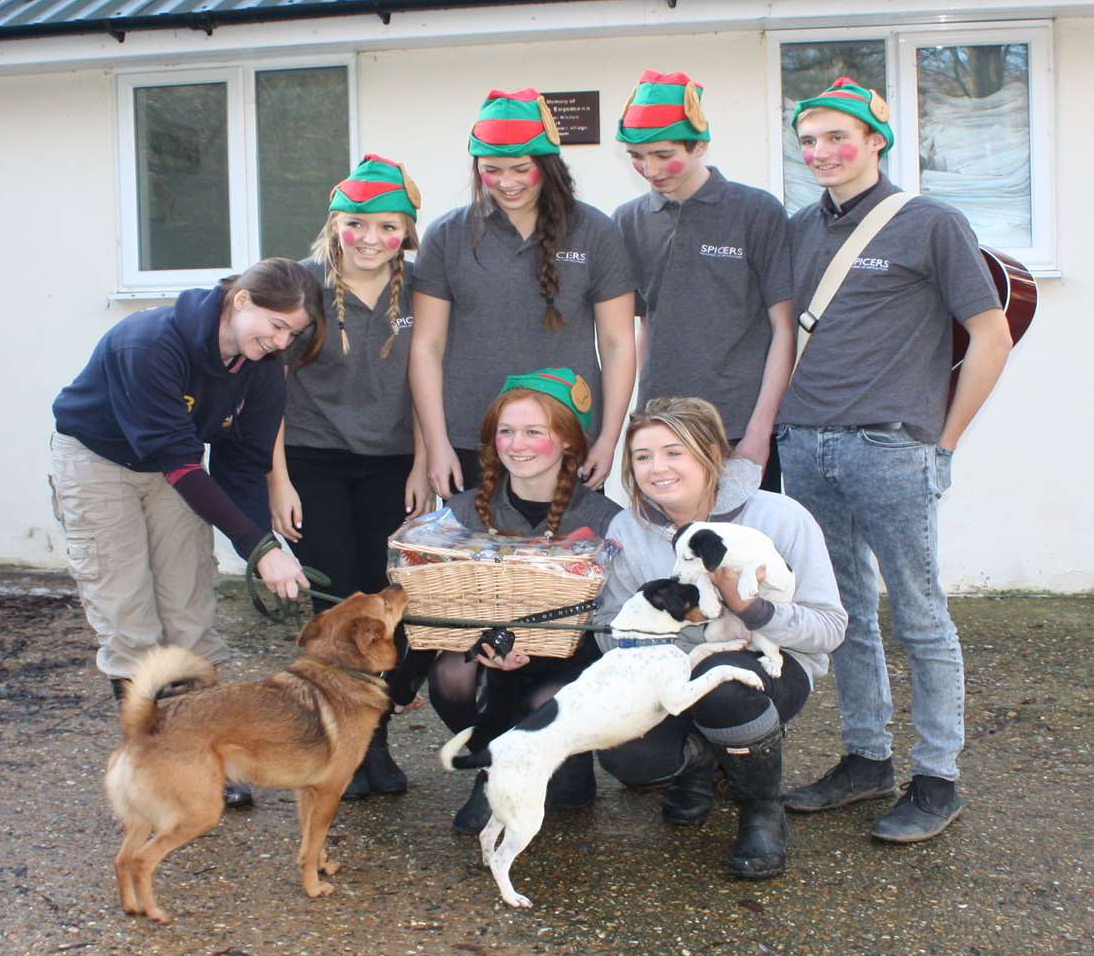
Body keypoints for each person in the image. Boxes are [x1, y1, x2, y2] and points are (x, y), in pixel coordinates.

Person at [776, 77, 1014, 843]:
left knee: (919, 617)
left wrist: (942, 444)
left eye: (837, 137)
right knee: (841, 614)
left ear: (877, 140)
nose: (821, 153)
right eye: (808, 140)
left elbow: (990, 335)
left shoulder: (930, 223)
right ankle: (865, 759)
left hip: (889, 448)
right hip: (805, 442)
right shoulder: (798, 229)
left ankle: (937, 777)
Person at [49, 258, 320, 806]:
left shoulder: (263, 364)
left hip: (176, 466)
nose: (281, 341)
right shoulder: (149, 343)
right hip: (100, 463)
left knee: (189, 609)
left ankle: (207, 758)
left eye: (293, 332)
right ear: (241, 301)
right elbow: (177, 461)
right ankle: (156, 768)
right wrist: (259, 549)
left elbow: (243, 463)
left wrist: (263, 545)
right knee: (127, 611)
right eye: (276, 325)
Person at [594, 397, 844, 879]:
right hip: (669, 671)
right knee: (627, 756)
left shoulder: (780, 516)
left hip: (770, 665)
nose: (656, 468)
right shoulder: (627, 527)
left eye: (674, 452)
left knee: (724, 689)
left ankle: (761, 809)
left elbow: (830, 628)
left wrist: (752, 609)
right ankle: (701, 760)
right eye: (642, 457)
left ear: (710, 453)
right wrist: (664, 654)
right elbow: (610, 622)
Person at [271, 154, 432, 801]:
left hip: (393, 464)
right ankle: (337, 745)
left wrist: (424, 461)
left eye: (389, 226)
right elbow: (267, 391)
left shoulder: (422, 290)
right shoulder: (302, 286)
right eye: (358, 223)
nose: (372, 238)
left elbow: (430, 382)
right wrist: (276, 481)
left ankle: (378, 737)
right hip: (313, 461)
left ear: (408, 233)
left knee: (390, 604)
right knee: (334, 605)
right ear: (335, 225)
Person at [410, 88, 638, 499]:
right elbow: (426, 346)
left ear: (547, 166)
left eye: (521, 168)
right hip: (469, 440)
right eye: (492, 169)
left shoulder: (596, 231)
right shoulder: (447, 235)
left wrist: (608, 439)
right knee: (480, 565)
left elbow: (618, 342)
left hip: (567, 437)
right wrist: (436, 445)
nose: (506, 182)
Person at [423, 369, 622, 833]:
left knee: (546, 700)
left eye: (536, 432)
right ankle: (494, 765)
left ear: (569, 442)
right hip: (491, 656)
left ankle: (560, 760)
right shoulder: (461, 511)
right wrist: (479, 637)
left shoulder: (606, 518)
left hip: (571, 663)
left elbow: (617, 616)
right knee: (452, 673)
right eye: (506, 432)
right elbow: (431, 591)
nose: (518, 444)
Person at [611, 70, 796, 490]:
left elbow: (784, 330)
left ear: (700, 145)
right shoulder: (628, 221)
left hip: (736, 425)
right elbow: (643, 327)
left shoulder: (755, 212)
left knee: (744, 552)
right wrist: (635, 424)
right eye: (636, 156)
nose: (649, 168)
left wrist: (759, 433)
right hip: (661, 428)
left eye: (662, 154)